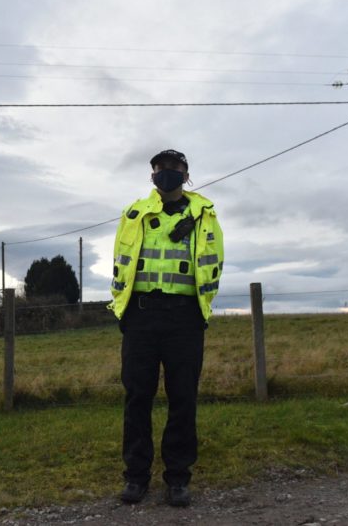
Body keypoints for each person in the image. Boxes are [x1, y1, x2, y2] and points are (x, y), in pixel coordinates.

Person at [108, 148, 224, 507]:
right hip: (141, 317)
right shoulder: (134, 213)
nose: (165, 173)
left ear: (186, 174)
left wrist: (201, 312)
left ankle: (178, 478)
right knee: (137, 398)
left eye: (173, 168)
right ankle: (136, 477)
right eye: (159, 168)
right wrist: (123, 312)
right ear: (152, 175)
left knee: (183, 398)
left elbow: (214, 262)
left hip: (184, 317)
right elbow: (121, 262)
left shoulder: (204, 214)